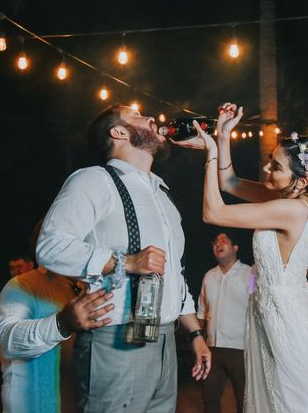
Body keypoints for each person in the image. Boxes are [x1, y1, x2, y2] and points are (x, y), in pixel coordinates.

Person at [175, 103, 308, 412]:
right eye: (269, 161)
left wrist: (210, 151)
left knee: (289, 401)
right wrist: (223, 135)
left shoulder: (292, 209)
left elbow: (213, 212)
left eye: (276, 167)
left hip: (283, 317)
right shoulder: (283, 199)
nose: (266, 170)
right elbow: (230, 183)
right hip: (268, 311)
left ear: (301, 181)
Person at [36, 104, 211, 413]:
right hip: (116, 338)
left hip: (166, 340)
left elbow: (176, 275)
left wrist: (195, 333)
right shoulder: (92, 180)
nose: (151, 118)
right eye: (137, 115)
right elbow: (50, 247)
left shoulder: (163, 196)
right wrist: (126, 262)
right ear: (118, 132)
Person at [0, 267, 114, 413]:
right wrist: (62, 324)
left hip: (77, 402)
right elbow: (8, 341)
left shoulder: (93, 286)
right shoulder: (22, 285)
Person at [197, 232, 251, 413]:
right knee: (209, 400)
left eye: (224, 240)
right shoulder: (209, 276)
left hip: (241, 349)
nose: (218, 244)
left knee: (245, 401)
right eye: (215, 241)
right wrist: (200, 342)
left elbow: (257, 308)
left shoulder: (250, 274)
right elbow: (202, 312)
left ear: (235, 248)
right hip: (212, 348)